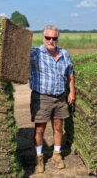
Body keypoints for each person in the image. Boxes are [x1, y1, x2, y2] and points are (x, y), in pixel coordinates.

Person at [30, 25, 75, 173]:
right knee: (39, 129)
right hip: (42, 97)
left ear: (57, 39)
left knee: (58, 127)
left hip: (60, 97)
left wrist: (71, 91)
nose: (51, 40)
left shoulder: (64, 53)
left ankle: (57, 154)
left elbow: (70, 73)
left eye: (54, 38)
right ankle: (39, 158)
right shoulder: (35, 53)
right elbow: (17, 57)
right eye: (48, 37)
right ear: (43, 38)